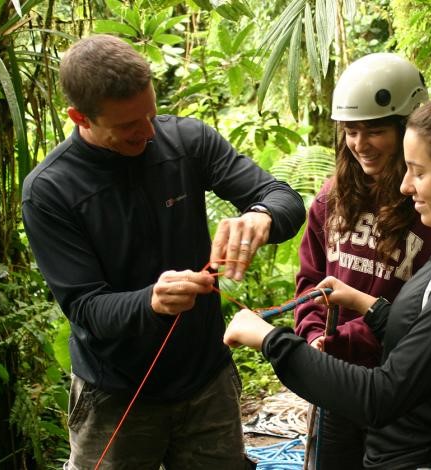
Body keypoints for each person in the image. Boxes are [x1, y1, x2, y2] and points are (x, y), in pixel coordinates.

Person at [21, 34, 305, 469]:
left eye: (150, 114)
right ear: (80, 117)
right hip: (115, 395)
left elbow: (281, 195)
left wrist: (261, 217)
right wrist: (150, 301)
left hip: (205, 380)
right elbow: (85, 307)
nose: (148, 131)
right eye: (129, 125)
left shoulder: (186, 142)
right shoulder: (50, 190)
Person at [225, 91, 431, 469]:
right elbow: (423, 333)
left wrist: (269, 340)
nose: (404, 185)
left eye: (419, 171)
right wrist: (365, 304)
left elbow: (381, 396)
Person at [294, 53, 431, 469]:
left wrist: (348, 338)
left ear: (407, 129)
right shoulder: (331, 200)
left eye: (375, 131)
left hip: (402, 391)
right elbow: (311, 281)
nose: (360, 144)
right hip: (338, 384)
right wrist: (312, 336)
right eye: (351, 131)